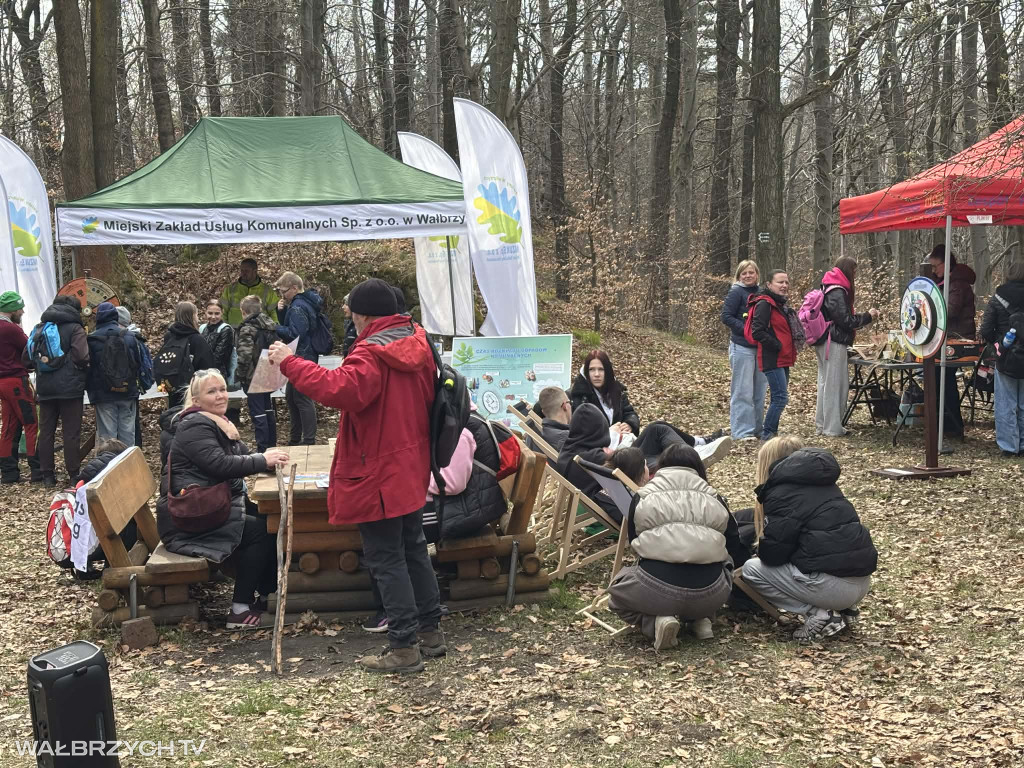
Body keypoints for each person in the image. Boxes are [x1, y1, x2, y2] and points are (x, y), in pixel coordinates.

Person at [269, 277, 442, 674]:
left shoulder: (372, 351)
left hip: (378, 468)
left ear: (364, 316)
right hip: (410, 462)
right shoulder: (416, 339)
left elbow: (342, 390)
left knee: (387, 557)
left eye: (353, 315)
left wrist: (291, 363)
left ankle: (404, 647)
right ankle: (431, 632)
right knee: (413, 548)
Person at [156, 370, 290, 628]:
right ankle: (239, 610)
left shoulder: (217, 421)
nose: (220, 396)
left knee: (267, 519)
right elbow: (219, 464)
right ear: (196, 400)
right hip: (188, 519)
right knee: (261, 532)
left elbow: (240, 456)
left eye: (222, 389)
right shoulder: (195, 425)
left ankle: (266, 594)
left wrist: (264, 459)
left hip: (208, 507)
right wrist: (262, 460)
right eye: (212, 391)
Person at [607, 444, 747, 649]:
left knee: (616, 597)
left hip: (656, 588)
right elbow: (734, 543)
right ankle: (701, 620)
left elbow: (635, 543)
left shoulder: (643, 495)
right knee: (724, 558)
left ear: (661, 465)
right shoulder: (715, 497)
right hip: (711, 593)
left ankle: (656, 622)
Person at [741, 436, 878, 643]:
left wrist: (761, 548)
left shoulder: (782, 494)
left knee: (751, 569)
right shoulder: (825, 484)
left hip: (836, 589)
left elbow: (774, 555)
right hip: (861, 583)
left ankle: (818, 614)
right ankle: (843, 609)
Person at [27, 296, 89, 486]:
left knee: (46, 431)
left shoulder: (40, 328)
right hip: (70, 389)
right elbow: (82, 356)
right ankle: (73, 474)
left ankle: (47, 475)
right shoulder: (75, 328)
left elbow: (26, 359)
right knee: (71, 432)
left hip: (45, 389)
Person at [815, 257, 879, 437]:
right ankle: (832, 427)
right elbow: (845, 320)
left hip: (825, 340)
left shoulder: (828, 285)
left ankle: (823, 424)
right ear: (848, 270)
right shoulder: (837, 290)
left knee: (825, 383)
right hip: (834, 341)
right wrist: (867, 316)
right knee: (835, 385)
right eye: (854, 271)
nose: (855, 275)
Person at [929, 245, 976, 441]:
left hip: (959, 338)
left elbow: (951, 310)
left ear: (946, 264)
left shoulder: (958, 284)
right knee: (938, 378)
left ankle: (953, 425)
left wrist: (930, 310)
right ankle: (942, 422)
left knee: (945, 380)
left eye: (935, 266)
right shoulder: (941, 282)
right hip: (945, 338)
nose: (933, 270)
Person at [274, 271, 324, 445]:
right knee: (292, 397)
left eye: (284, 291)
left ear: (294, 288)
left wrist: (274, 327)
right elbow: (294, 326)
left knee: (302, 398)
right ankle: (295, 438)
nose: (282, 295)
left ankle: (308, 439)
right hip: (303, 354)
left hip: (302, 355)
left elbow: (296, 334)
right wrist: (281, 313)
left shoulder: (298, 306)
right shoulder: (301, 303)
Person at [979, 261, 1024, 456]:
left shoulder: (998, 297)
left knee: (1006, 403)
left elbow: (986, 330)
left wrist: (998, 343)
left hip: (1006, 355)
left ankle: (1009, 447)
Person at [721, 260, 768, 440]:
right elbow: (726, 316)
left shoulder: (762, 292)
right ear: (739, 276)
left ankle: (757, 428)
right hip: (741, 347)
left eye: (751, 272)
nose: (748, 276)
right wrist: (747, 330)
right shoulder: (736, 292)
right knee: (743, 391)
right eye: (744, 273)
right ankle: (742, 431)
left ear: (757, 274)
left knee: (759, 390)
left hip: (760, 348)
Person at [86, 302, 145, 446]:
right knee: (128, 433)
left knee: (107, 437)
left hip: (103, 395)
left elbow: (88, 368)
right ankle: (128, 459)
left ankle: (108, 460)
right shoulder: (130, 337)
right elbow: (138, 363)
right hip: (127, 391)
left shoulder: (91, 339)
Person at [749, 271, 796, 441]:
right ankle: (767, 434)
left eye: (786, 282)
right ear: (769, 284)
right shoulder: (765, 304)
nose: (784, 285)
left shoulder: (780, 304)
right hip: (772, 358)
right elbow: (757, 331)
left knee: (779, 398)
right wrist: (777, 345)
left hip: (784, 358)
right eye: (780, 282)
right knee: (781, 398)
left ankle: (772, 433)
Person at [556, 403, 622, 523]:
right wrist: (614, 437)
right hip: (616, 509)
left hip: (594, 503)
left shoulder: (567, 450)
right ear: (600, 430)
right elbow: (628, 468)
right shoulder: (594, 458)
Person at [0, 291, 40, 483]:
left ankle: (8, 473)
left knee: (9, 427)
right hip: (16, 381)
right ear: (11, 309)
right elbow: (29, 348)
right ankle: (38, 470)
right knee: (31, 424)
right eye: (20, 308)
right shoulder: (11, 329)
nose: (22, 312)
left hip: (2, 384)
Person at [235, 295, 280, 452]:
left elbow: (244, 355)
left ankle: (262, 449)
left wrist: (240, 375)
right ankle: (271, 445)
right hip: (268, 373)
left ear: (243, 312)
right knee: (268, 410)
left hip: (252, 376)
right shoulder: (270, 326)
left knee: (258, 413)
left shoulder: (247, 329)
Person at [156, 301, 216, 408]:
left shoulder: (169, 336)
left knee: (175, 412)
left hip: (171, 385)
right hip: (191, 390)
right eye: (196, 314)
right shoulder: (196, 339)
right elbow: (207, 366)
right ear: (192, 316)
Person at [569, 349, 640, 434]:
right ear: (586, 372)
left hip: (620, 439)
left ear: (607, 371)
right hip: (594, 442)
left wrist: (629, 424)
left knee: (653, 429)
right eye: (591, 369)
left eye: (601, 369)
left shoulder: (617, 390)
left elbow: (629, 413)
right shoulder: (578, 395)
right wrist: (608, 432)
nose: (596, 374)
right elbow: (579, 428)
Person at [116, 306, 155, 448]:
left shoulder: (128, 339)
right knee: (131, 424)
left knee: (127, 425)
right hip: (132, 388)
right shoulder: (136, 337)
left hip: (125, 388)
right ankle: (134, 451)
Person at [219, 257, 278, 327]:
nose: (243, 273)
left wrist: (275, 329)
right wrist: (225, 329)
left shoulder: (267, 291)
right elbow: (222, 311)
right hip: (235, 331)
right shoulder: (230, 289)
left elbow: (275, 312)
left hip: (259, 332)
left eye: (246, 271)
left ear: (255, 271)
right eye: (242, 270)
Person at [200, 299, 237, 386]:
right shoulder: (202, 328)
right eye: (210, 313)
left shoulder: (226, 329)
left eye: (217, 313)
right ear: (205, 312)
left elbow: (219, 357)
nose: (213, 317)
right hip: (203, 373)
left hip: (219, 374)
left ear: (222, 313)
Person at [535, 386, 572, 453]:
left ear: (543, 412)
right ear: (565, 406)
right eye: (569, 402)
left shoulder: (534, 435)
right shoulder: (568, 438)